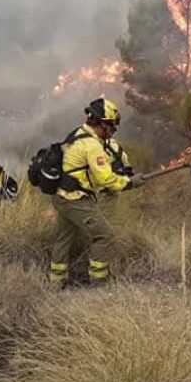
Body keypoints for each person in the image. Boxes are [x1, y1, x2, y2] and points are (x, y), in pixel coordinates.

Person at [49, 98, 145, 286]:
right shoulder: (92, 145)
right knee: (104, 235)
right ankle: (99, 282)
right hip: (76, 199)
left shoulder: (78, 134)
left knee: (63, 239)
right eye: (112, 127)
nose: (113, 131)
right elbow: (106, 179)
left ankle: (56, 281)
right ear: (102, 123)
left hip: (62, 196)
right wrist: (130, 183)